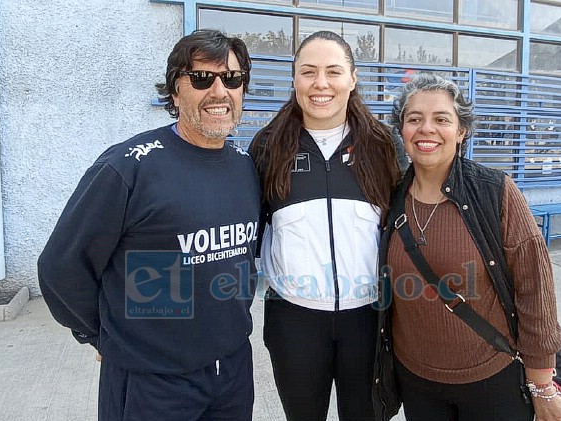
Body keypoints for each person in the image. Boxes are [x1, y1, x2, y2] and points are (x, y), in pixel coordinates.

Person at [38, 29, 260, 421]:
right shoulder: (129, 167)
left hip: (232, 370)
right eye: (202, 79)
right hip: (151, 380)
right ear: (175, 92)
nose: (219, 91)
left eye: (232, 79)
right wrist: (100, 334)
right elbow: (62, 266)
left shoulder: (245, 167)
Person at [374, 74, 561, 421]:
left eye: (441, 119)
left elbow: (535, 290)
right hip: (417, 382)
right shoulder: (390, 198)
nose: (426, 129)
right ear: (401, 129)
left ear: (461, 131)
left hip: (492, 379)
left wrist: (542, 384)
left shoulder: (494, 192)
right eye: (414, 118)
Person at [248, 31, 400, 421]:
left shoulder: (383, 145)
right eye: (308, 71)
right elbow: (248, 233)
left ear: (353, 78)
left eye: (333, 71)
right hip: (293, 320)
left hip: (367, 318)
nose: (321, 84)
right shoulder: (267, 146)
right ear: (294, 79)